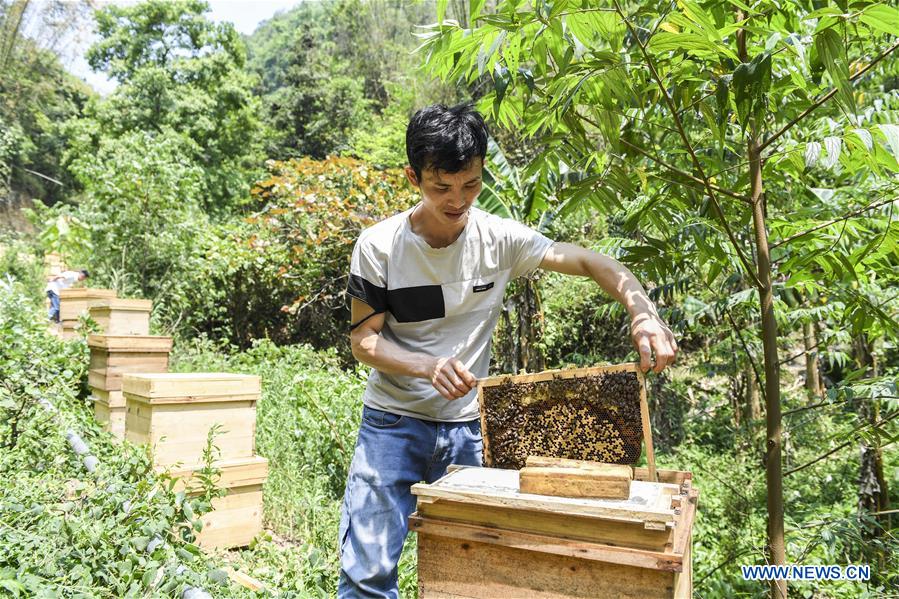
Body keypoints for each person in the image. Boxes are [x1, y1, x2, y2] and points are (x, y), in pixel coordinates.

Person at [338, 103, 677, 598]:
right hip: (392, 423)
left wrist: (641, 309)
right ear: (413, 176)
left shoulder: (500, 240)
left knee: (477, 573)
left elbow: (588, 260)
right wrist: (425, 365)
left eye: (470, 184)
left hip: (470, 430)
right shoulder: (379, 247)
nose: (458, 201)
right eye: (442, 188)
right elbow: (364, 340)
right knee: (367, 573)